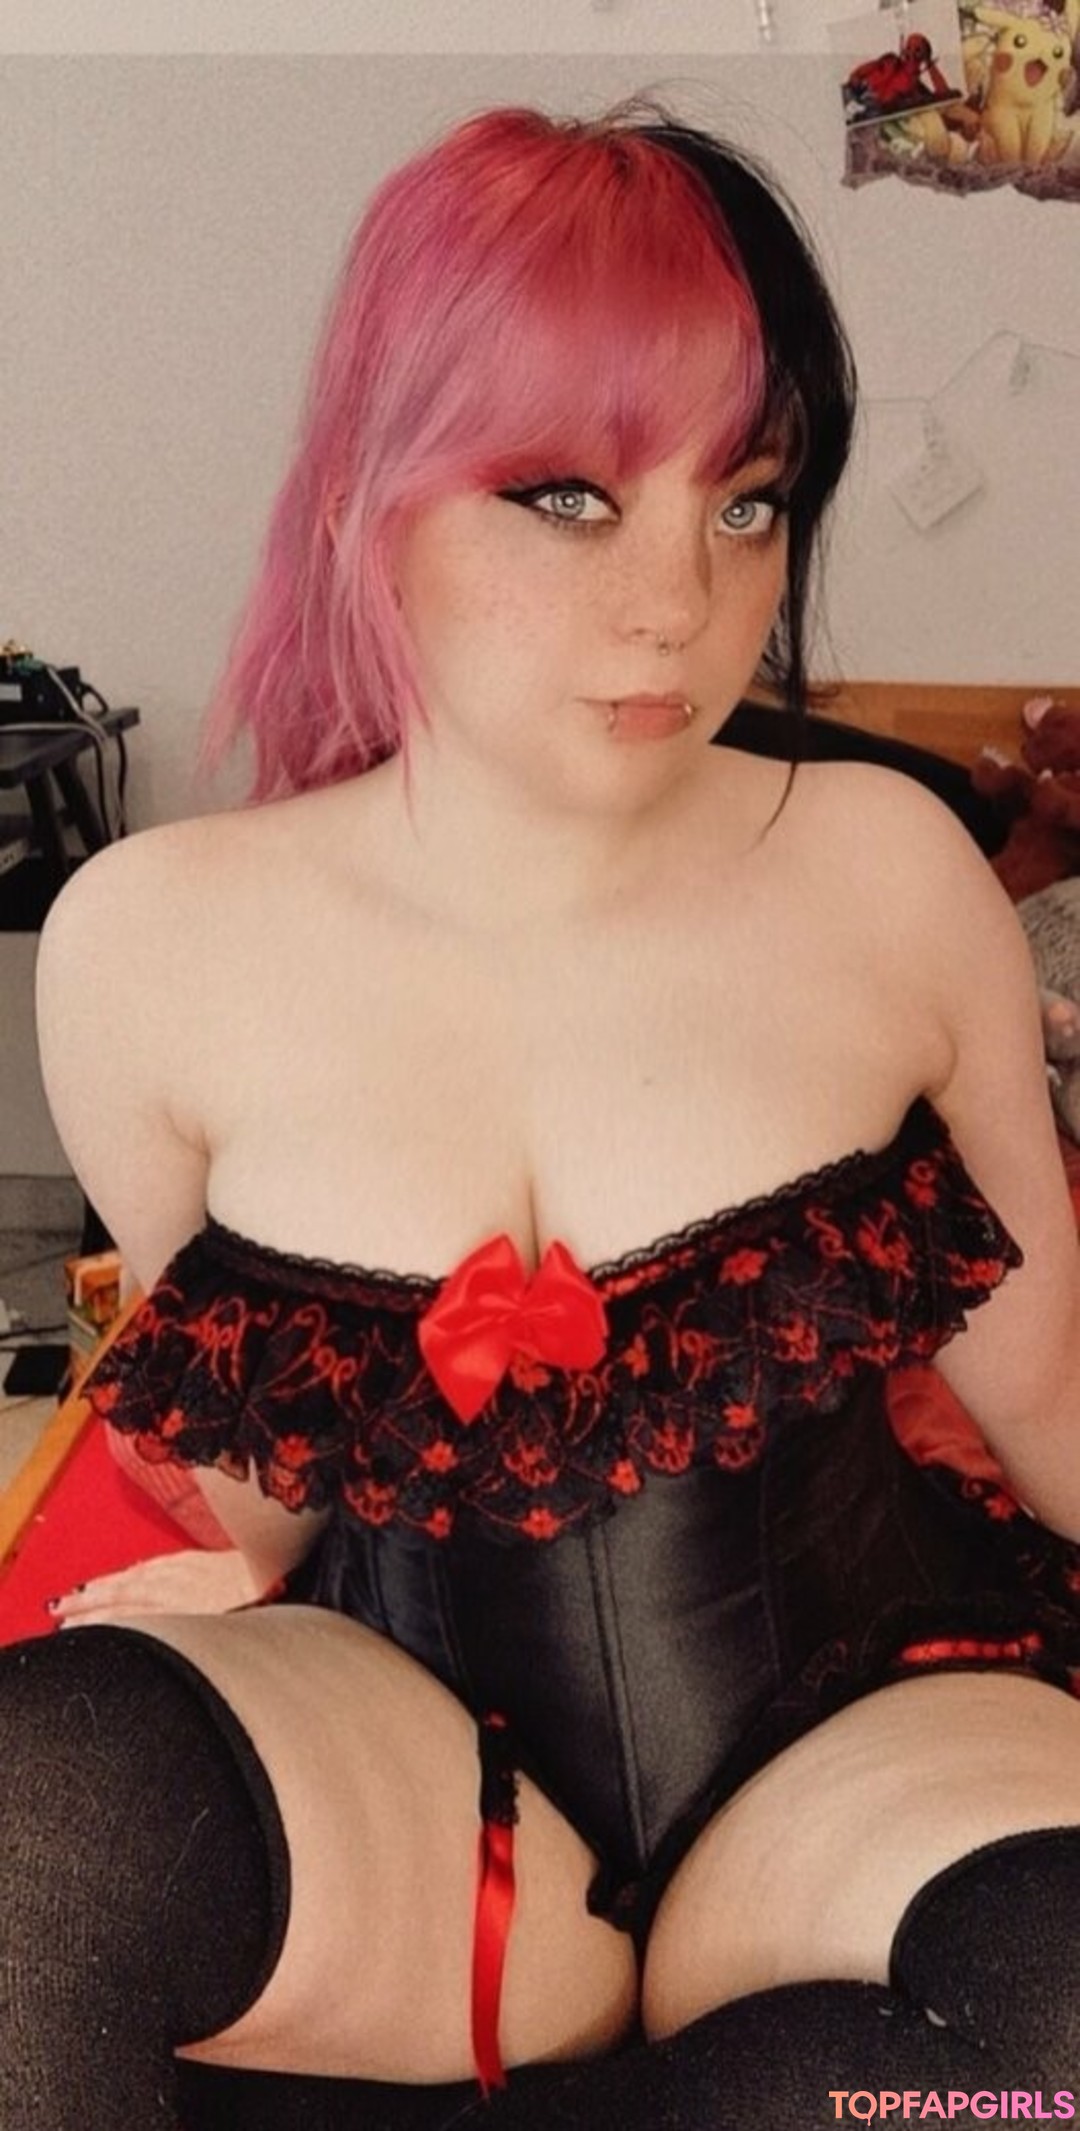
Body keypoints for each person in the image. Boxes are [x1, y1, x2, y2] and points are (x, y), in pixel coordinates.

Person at [4, 99, 1080, 2131]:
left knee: (1056, 2048)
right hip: (417, 1764)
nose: (678, 600)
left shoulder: (888, 864)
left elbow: (1041, 1380)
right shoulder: (146, 939)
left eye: (746, 503)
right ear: (367, 502)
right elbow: (271, 1451)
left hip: (858, 1735)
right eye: (569, 496)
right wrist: (201, 1576)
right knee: (25, 1842)